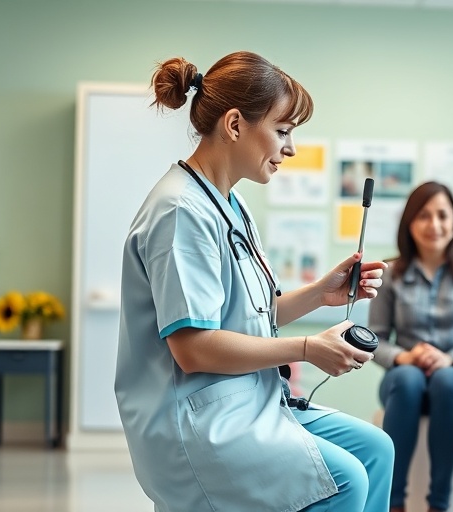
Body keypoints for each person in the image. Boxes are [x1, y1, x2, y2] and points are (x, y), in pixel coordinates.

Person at [114, 51, 395, 512]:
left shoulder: (230, 205)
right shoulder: (180, 212)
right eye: (282, 131)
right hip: (197, 423)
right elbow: (194, 347)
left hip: (247, 401)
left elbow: (246, 316)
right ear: (235, 125)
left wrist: (320, 294)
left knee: (376, 450)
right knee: (344, 481)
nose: (291, 148)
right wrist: (306, 348)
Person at [368, 181, 453, 512]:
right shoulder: (390, 273)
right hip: (404, 384)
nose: (435, 225)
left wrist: (449, 358)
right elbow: (375, 338)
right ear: (409, 222)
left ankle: (437, 504)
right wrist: (405, 357)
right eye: (424, 216)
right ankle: (393, 503)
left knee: (447, 380)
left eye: (443, 215)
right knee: (409, 378)